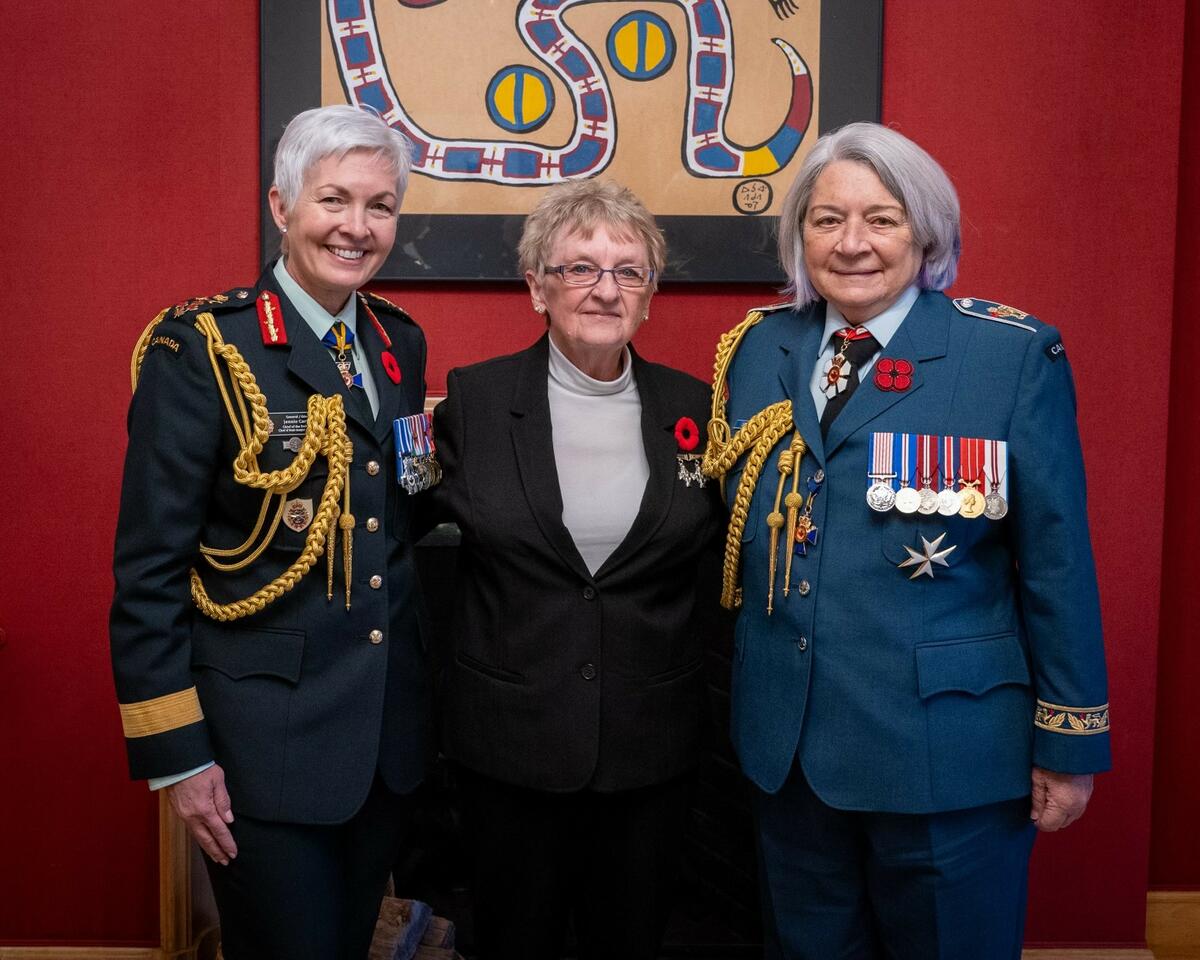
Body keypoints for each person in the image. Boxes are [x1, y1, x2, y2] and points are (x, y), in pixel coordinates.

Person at [700, 122, 1110, 959]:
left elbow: (1057, 562)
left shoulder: (1006, 356)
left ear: (926, 234)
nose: (851, 243)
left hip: (946, 757)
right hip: (789, 753)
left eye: (881, 219)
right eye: (827, 219)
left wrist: (1071, 740)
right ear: (800, 235)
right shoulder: (756, 349)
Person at [109, 105, 436, 959]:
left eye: (380, 206)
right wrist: (179, 757)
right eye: (334, 200)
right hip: (260, 749)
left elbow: (398, 520)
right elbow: (150, 571)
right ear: (282, 206)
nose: (357, 227)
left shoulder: (398, 344)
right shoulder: (203, 350)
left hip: (381, 746)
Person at [429, 179, 725, 960]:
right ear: (537, 287)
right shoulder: (475, 402)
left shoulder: (698, 408)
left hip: (650, 751)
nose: (605, 289)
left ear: (649, 294)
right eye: (579, 268)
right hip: (509, 751)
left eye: (629, 271)